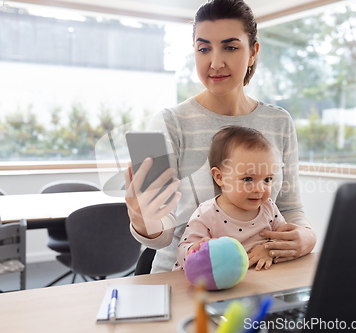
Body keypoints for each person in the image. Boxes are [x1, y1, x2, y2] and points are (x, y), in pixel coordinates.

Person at [124, 0, 316, 274]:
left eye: (230, 47)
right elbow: (162, 236)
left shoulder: (279, 122)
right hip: (187, 282)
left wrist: (307, 234)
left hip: (263, 277)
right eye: (204, 49)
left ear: (252, 52)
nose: (215, 62)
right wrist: (144, 222)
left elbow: (289, 207)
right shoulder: (168, 123)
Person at [174, 126, 289, 271]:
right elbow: (182, 252)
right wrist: (196, 249)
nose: (260, 189)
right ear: (220, 177)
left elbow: (285, 239)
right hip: (212, 285)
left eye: (267, 179)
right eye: (248, 179)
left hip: (258, 283)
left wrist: (268, 250)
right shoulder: (207, 213)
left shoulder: (269, 208)